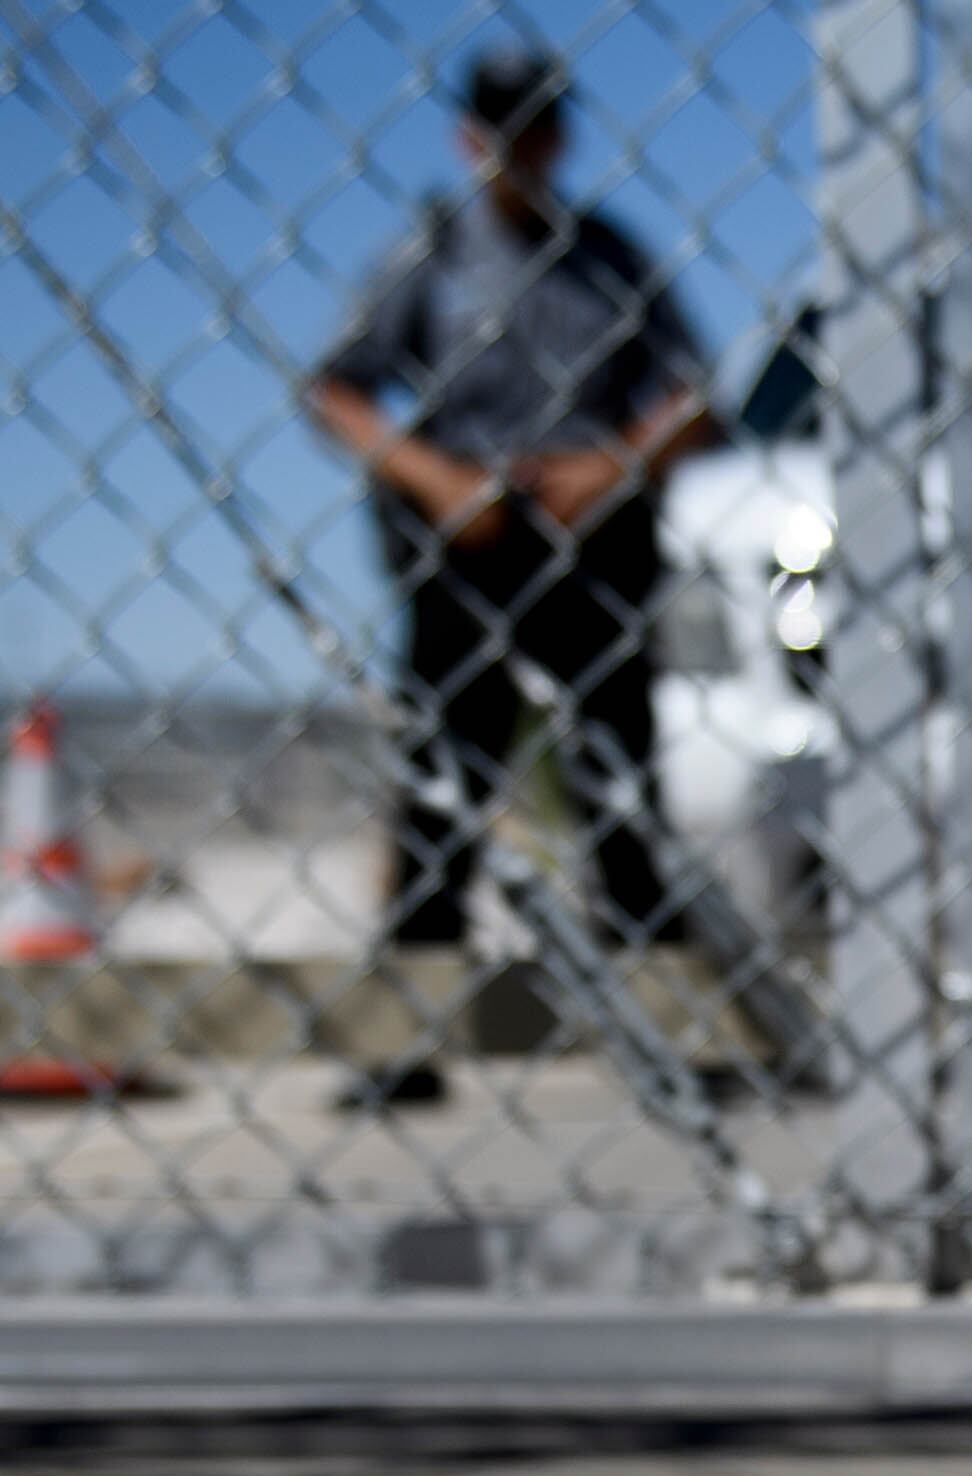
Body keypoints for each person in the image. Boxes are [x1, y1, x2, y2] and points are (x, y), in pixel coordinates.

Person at [307, 44, 718, 1106]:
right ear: (467, 137)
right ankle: (406, 1042)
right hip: (469, 553)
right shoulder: (432, 255)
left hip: (593, 543)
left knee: (620, 795)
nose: (517, 149)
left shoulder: (610, 259)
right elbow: (338, 391)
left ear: (559, 136)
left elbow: (694, 395)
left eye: (535, 126)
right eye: (497, 128)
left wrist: (608, 469)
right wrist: (437, 481)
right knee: (443, 798)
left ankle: (660, 1037)